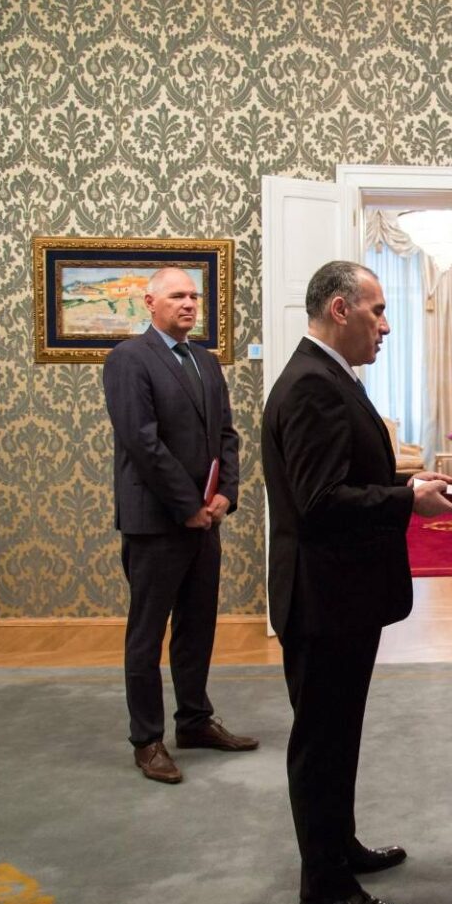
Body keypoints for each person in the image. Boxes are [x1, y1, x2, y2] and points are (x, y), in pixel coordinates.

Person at [262, 260, 452, 904]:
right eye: (377, 310)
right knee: (321, 742)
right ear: (339, 310)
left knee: (339, 733)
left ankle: (338, 846)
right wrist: (406, 500)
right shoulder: (312, 386)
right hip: (323, 599)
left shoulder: (329, 377)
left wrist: (406, 481)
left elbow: (344, 474)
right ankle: (324, 887)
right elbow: (320, 503)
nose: (386, 324)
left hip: (339, 596)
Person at [102, 267, 257, 785]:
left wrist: (224, 494)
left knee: (197, 627)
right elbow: (141, 441)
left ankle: (193, 721)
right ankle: (147, 740)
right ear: (150, 303)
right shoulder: (128, 359)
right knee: (146, 635)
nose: (190, 303)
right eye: (177, 295)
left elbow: (226, 436)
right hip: (155, 522)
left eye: (194, 295)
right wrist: (187, 504)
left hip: (205, 521)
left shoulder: (205, 361)